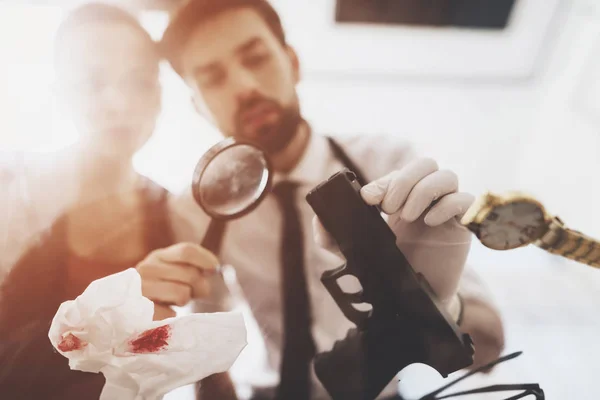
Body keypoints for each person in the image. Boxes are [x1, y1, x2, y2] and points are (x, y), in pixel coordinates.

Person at [136, 0, 506, 399]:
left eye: (256, 58)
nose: (243, 86)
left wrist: (438, 304)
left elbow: (489, 345)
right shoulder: (195, 212)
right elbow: (208, 341)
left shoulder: (388, 168)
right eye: (212, 78)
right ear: (197, 106)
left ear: (292, 62)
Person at [0, 4, 175, 399]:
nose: (118, 103)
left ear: (160, 95)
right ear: (60, 94)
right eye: (93, 82)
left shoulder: (173, 213)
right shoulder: (12, 193)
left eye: (139, 81)